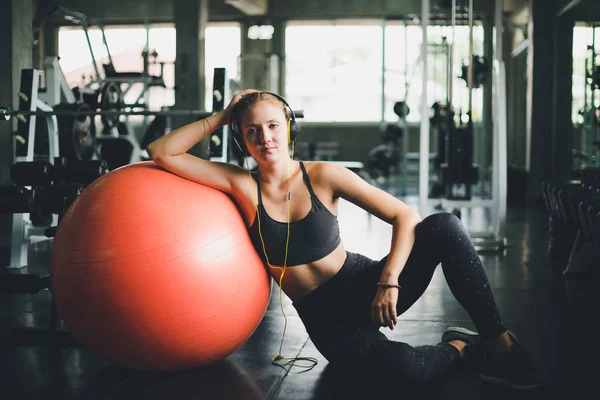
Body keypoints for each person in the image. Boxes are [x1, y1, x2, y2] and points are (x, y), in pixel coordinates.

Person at [146, 90, 546, 391]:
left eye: (272, 126)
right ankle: (462, 347)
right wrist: (222, 116)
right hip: (327, 321)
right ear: (241, 138)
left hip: (367, 284)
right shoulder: (240, 185)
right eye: (252, 130)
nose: (265, 138)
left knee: (444, 226)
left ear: (288, 126)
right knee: (406, 371)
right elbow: (161, 151)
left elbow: (404, 215)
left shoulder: (323, 175)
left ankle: (499, 344)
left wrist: (388, 281)